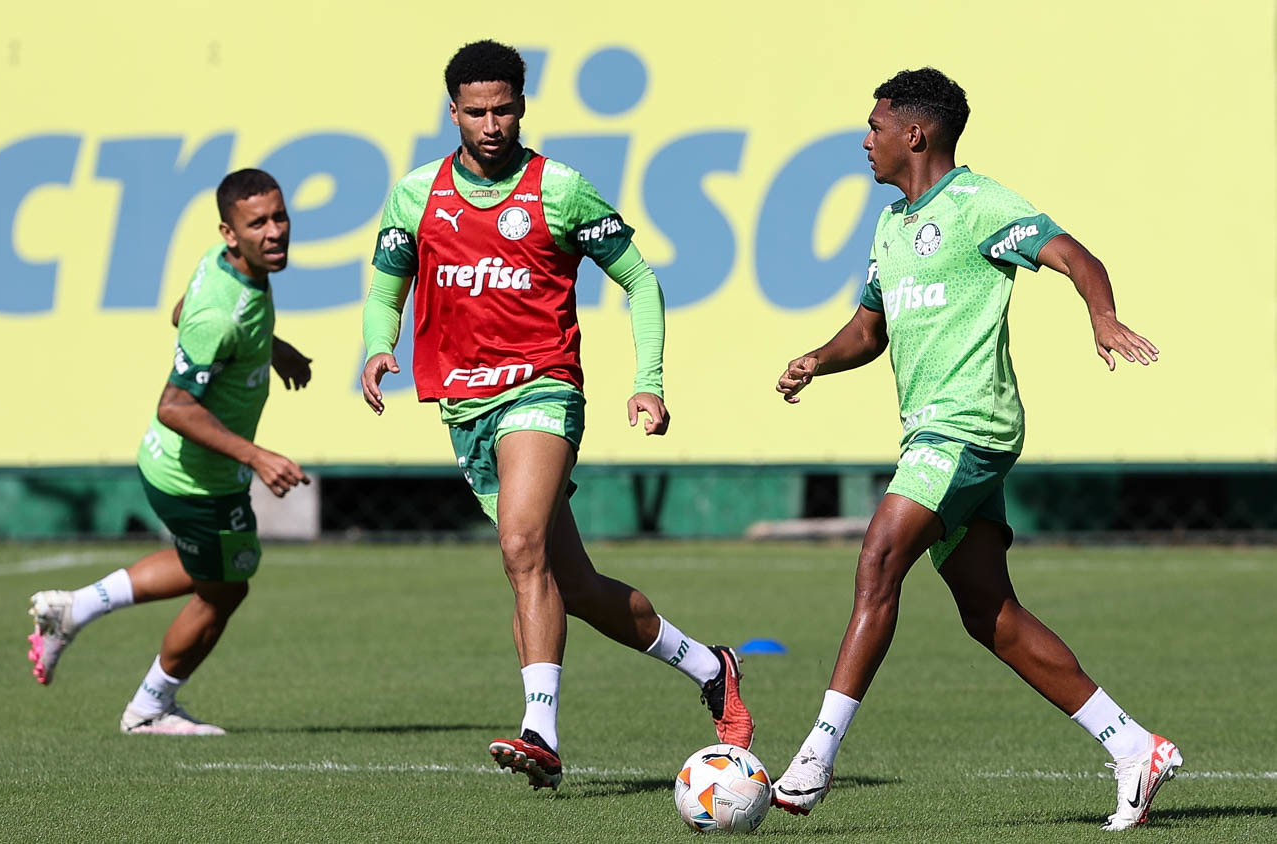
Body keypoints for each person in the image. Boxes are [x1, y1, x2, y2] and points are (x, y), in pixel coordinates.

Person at [770, 68, 1178, 831]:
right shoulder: (892, 224)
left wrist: (1103, 314)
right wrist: (817, 360)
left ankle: (815, 759)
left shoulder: (977, 204)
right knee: (989, 612)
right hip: (934, 432)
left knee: (879, 558)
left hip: (969, 427)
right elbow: (869, 329)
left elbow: (1073, 254)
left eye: (876, 126)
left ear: (914, 134)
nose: (867, 139)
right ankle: (1133, 747)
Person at [359, 39, 752, 790]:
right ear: (453, 113)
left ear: (522, 106)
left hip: (543, 388)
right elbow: (387, 288)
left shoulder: (560, 188)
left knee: (520, 544)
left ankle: (540, 728)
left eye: (503, 108)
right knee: (564, 581)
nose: (491, 123)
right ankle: (712, 666)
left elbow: (640, 281)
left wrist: (649, 381)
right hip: (464, 404)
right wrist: (379, 347)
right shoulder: (415, 195)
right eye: (475, 111)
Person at [26, 168, 311, 735]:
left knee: (206, 568)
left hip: (180, 471)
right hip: (198, 479)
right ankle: (149, 709)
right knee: (225, 588)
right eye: (259, 223)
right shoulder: (222, 311)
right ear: (230, 233)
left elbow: (180, 311)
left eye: (279, 216)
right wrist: (256, 456)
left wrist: (270, 349)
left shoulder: (226, 266)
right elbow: (175, 406)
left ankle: (73, 608)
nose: (275, 231)